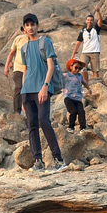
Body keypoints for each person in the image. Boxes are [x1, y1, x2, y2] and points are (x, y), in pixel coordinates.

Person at [19, 13, 67, 173]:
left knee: (43, 120)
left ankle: (58, 159)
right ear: (24, 28)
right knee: (32, 125)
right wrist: (22, 94)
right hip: (27, 91)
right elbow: (24, 70)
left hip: (42, 89)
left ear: (37, 26)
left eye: (32, 24)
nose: (30, 27)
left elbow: (51, 66)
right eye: (27, 25)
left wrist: (45, 86)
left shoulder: (45, 42)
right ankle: (38, 161)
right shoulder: (23, 48)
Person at [71, 7, 104, 79]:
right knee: (83, 68)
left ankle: (96, 83)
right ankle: (86, 83)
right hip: (85, 52)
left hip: (95, 51)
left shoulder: (96, 29)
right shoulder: (83, 31)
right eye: (88, 20)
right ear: (86, 21)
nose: (89, 21)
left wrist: (98, 11)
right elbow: (78, 43)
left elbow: (100, 22)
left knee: (95, 70)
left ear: (93, 21)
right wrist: (73, 54)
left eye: (91, 20)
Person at [3, 24, 29, 114]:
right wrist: (6, 66)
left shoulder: (35, 40)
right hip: (19, 67)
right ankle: (17, 111)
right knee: (19, 87)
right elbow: (12, 53)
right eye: (24, 29)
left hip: (31, 69)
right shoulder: (19, 39)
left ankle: (28, 109)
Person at [63, 57, 92, 132]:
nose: (77, 70)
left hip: (78, 98)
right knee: (73, 111)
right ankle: (71, 127)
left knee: (81, 112)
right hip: (68, 97)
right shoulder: (66, 76)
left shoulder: (80, 76)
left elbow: (84, 83)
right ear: (71, 67)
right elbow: (57, 78)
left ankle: (83, 127)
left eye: (79, 68)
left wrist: (89, 89)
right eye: (76, 67)